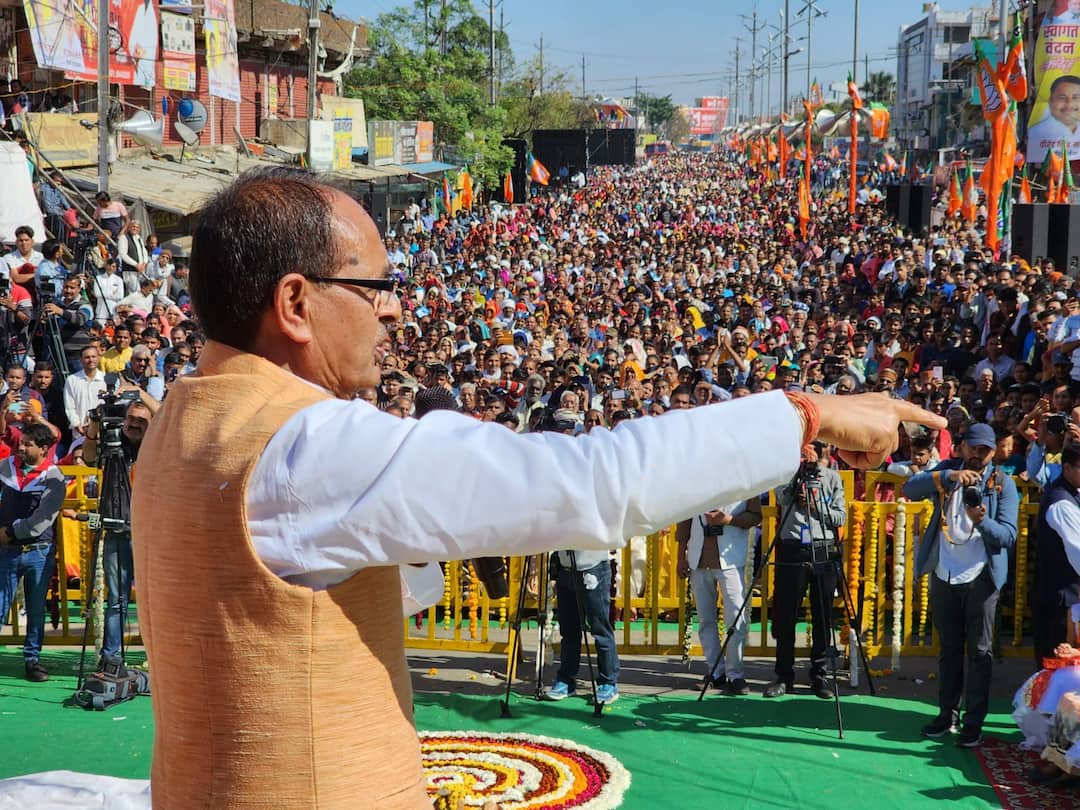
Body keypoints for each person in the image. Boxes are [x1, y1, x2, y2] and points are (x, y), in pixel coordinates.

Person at [129, 168, 944, 808]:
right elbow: (592, 483)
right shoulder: (310, 444)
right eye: (377, 289)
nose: (396, 316)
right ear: (296, 303)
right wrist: (808, 416)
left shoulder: (176, 427)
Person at [904, 423, 1020, 749]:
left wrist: (982, 520)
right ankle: (946, 715)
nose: (977, 454)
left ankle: (973, 723)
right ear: (962, 447)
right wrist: (947, 478)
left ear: (993, 452)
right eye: (973, 447)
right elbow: (909, 489)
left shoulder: (1002, 484)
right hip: (944, 572)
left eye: (985, 449)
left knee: (980, 653)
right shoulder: (946, 471)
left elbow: (1008, 536)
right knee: (949, 651)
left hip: (982, 577)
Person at [764, 440, 848, 699]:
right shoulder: (786, 475)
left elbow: (840, 517)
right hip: (793, 546)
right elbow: (782, 498)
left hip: (823, 545)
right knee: (787, 612)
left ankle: (819, 675)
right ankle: (783, 675)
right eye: (803, 452)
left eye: (814, 452)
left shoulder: (832, 478)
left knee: (823, 612)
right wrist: (797, 476)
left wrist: (815, 505)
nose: (809, 456)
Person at [83, 399, 152, 665]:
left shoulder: (157, 449)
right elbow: (89, 458)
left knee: (152, 601)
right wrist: (94, 426)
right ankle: (110, 658)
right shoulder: (114, 446)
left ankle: (156, 657)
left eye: (141, 421)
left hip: (149, 536)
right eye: (131, 418)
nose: (134, 424)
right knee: (116, 600)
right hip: (117, 529)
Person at [0, 421, 66, 682]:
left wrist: (11, 531)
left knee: (36, 609)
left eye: (28, 444)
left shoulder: (53, 476)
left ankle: (32, 660)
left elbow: (42, 519)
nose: (21, 447)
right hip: (6, 551)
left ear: (44, 448)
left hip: (38, 550)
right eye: (21, 442)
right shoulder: (5, 468)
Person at [677, 493, 761, 695]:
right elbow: (684, 520)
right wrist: (681, 556)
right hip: (698, 559)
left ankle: (736, 675)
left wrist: (729, 520)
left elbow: (756, 516)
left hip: (731, 560)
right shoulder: (694, 480)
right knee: (706, 620)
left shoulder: (745, 480)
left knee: (736, 618)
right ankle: (715, 672)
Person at [1033, 443, 1080, 668]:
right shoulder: (1061, 502)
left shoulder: (1072, 493)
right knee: (1056, 675)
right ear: (1068, 468)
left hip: (1068, 599)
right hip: (1061, 602)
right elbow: (1078, 552)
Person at [1028, 75, 1080, 162]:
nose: (1069, 103)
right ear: (1050, 101)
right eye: (1062, 98)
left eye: (1076, 98)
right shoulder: (1036, 132)